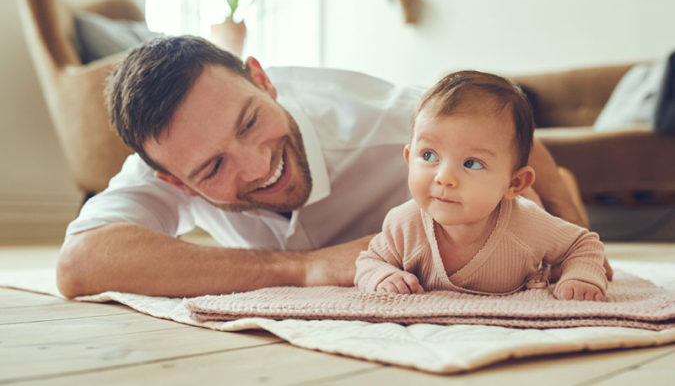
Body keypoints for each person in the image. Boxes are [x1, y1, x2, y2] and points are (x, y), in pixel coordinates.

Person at [56, 35, 596, 298]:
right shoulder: (167, 160)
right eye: (214, 167)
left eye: (250, 122)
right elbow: (80, 263)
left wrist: (571, 219)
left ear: (263, 80)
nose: (259, 164)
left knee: (527, 213)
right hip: (398, 251)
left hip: (476, 211)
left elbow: (506, 135)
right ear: (174, 181)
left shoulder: (384, 121)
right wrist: (300, 268)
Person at [354, 71, 608, 301]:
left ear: (514, 182)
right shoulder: (404, 224)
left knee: (542, 219)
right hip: (506, 196)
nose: (444, 178)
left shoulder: (529, 224)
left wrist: (581, 277)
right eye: (429, 156)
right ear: (410, 159)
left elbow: (583, 244)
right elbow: (369, 261)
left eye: (471, 163)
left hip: (523, 207)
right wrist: (382, 276)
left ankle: (557, 184)